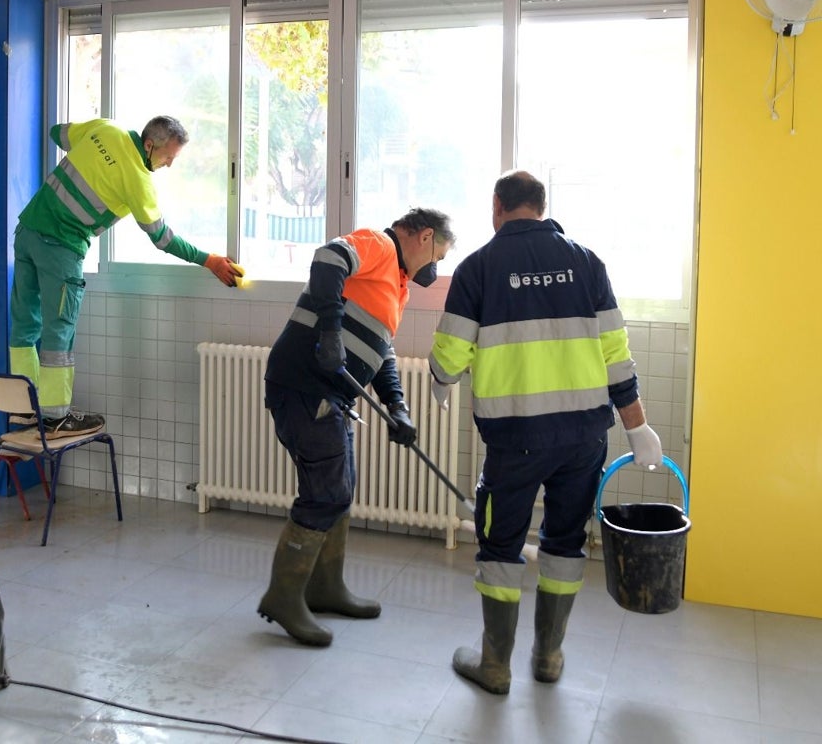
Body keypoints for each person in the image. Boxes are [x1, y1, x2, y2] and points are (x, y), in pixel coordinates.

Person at [429, 170, 663, 695]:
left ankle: (495, 665)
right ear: (542, 206)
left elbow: (451, 355)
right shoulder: (587, 262)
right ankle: (549, 657)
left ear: (498, 207)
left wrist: (440, 380)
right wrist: (638, 427)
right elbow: (615, 358)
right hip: (584, 439)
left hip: (515, 441)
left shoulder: (478, 268)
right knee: (565, 542)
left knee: (501, 546)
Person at [259, 208, 455, 646]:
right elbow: (329, 258)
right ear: (424, 237)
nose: (434, 269)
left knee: (341, 491)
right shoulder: (380, 246)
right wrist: (329, 331)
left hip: (335, 396)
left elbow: (380, 351)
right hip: (304, 386)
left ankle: (326, 587)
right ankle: (283, 596)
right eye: (437, 256)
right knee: (325, 492)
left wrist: (398, 407)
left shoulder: (398, 285)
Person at [10, 115, 242, 438]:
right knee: (58, 333)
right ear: (149, 146)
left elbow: (56, 134)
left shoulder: (106, 128)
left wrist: (91, 154)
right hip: (61, 247)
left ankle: (21, 410)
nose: (170, 164)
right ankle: (54, 418)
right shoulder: (138, 179)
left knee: (24, 323)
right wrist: (209, 261)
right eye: (168, 157)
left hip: (27, 232)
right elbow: (163, 239)